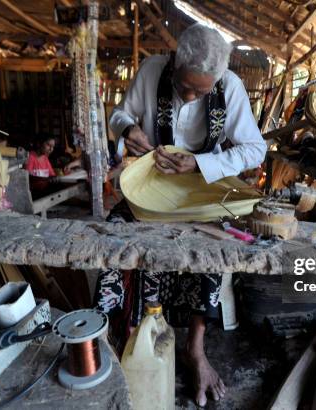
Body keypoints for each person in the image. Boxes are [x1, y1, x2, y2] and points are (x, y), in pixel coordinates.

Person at [102, 23, 266, 407]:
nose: (191, 96)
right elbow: (118, 115)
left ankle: (194, 349)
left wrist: (201, 163)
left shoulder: (230, 87)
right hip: (149, 189)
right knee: (112, 243)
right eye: (185, 86)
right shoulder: (151, 70)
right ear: (174, 61)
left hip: (202, 191)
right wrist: (128, 130)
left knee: (210, 253)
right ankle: (119, 339)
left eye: (201, 91)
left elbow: (253, 150)